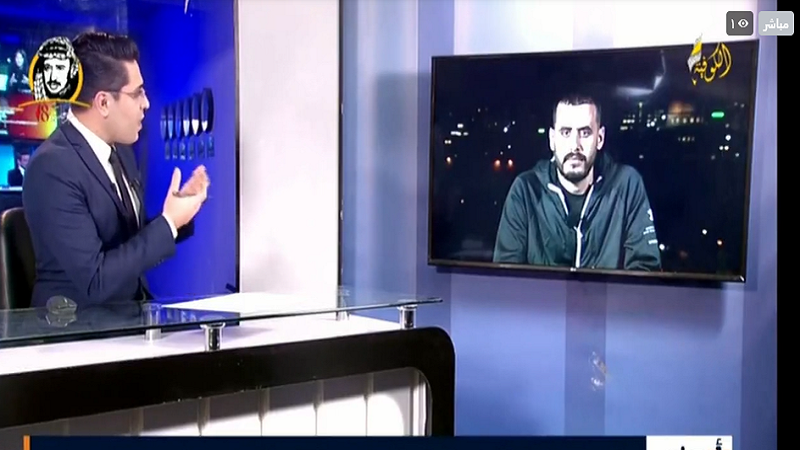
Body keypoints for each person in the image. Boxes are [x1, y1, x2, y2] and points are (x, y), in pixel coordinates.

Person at [23, 32, 209, 308]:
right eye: (137, 93)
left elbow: (128, 243)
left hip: (131, 317)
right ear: (103, 103)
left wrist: (179, 216)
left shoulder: (121, 151)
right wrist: (168, 223)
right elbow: (95, 280)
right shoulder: (51, 168)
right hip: (79, 327)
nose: (146, 103)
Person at [493, 94, 661, 271]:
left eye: (585, 133)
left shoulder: (627, 185)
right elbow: (506, 277)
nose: (575, 146)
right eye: (566, 133)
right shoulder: (525, 190)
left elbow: (645, 270)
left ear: (600, 138)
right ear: (552, 139)